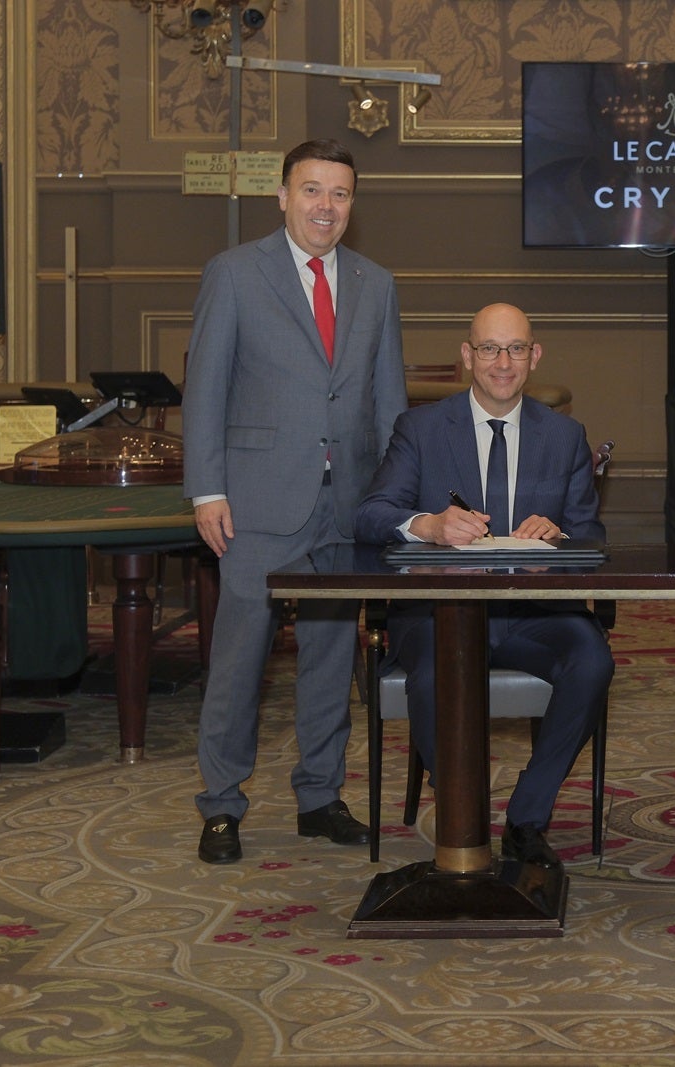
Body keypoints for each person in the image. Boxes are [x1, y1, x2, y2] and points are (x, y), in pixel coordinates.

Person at [183, 139, 407, 865]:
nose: (326, 207)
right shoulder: (235, 273)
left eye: (340, 194)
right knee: (239, 659)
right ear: (282, 196)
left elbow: (389, 403)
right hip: (254, 501)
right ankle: (221, 803)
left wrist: (393, 499)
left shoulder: (377, 284)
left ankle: (319, 795)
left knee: (331, 657)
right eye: (312, 190)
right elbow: (206, 389)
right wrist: (206, 490)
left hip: (347, 505)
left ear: (353, 205)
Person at [355, 303, 612, 871]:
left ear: (534, 357)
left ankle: (527, 816)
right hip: (437, 611)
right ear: (467, 356)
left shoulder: (565, 435)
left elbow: (591, 531)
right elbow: (371, 514)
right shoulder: (420, 429)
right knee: (438, 674)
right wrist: (428, 525)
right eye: (490, 349)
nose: (503, 363)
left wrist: (560, 531)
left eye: (516, 349)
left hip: (531, 611)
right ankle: (462, 814)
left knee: (592, 659)